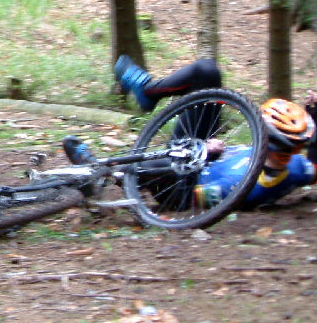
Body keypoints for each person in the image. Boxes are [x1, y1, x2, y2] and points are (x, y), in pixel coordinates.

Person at [62, 56, 317, 210]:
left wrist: (203, 153)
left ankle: (98, 171)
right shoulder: (297, 166)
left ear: (268, 138)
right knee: (206, 72)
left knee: (165, 166)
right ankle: (148, 91)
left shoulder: (246, 186)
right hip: (203, 150)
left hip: (185, 180)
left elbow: (190, 200)